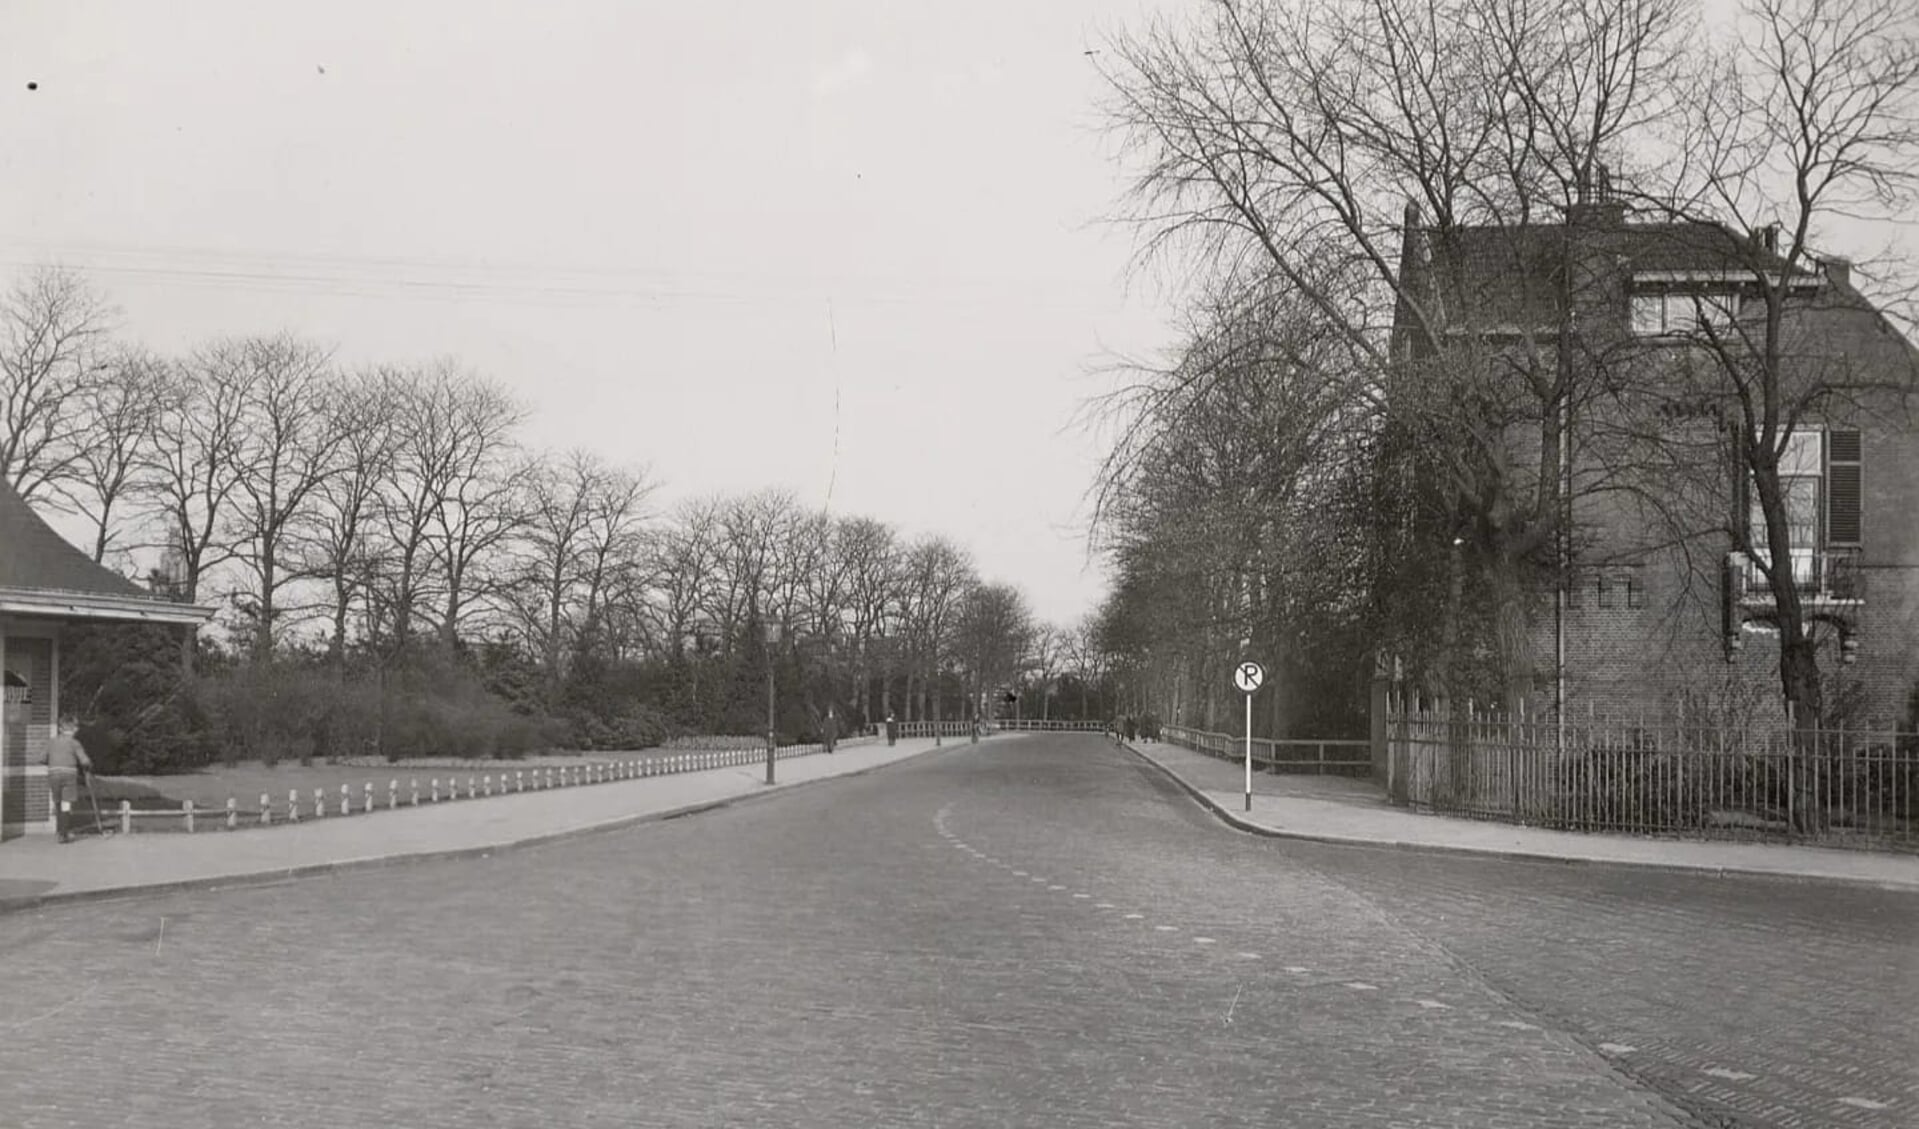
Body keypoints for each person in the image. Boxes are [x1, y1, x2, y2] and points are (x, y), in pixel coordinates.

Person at [46, 714, 93, 843]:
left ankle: (60, 830)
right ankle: (63, 834)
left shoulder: (51, 742)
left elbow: (41, 758)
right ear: (75, 729)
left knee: (57, 801)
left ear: (60, 729)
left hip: (54, 774)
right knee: (66, 803)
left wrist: (52, 762)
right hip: (69, 774)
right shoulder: (74, 743)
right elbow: (84, 760)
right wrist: (88, 765)